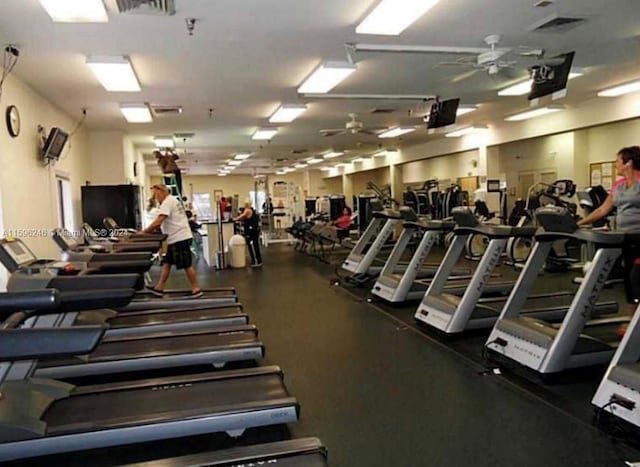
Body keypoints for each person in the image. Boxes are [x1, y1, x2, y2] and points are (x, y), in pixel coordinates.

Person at [577, 146, 640, 321]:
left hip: (639, 237)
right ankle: (631, 320)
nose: (615, 165)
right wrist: (578, 223)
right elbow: (603, 209)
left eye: (618, 161)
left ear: (629, 163)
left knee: (636, 277)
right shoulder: (618, 185)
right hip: (624, 238)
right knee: (628, 279)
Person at [142, 184, 203, 298]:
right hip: (175, 237)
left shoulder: (167, 202)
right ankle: (160, 287)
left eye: (156, 194)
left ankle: (196, 289)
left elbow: (159, 221)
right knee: (167, 262)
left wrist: (144, 232)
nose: (156, 197)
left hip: (179, 237)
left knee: (186, 264)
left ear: (163, 191)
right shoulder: (171, 200)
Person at [233, 199, 262, 267]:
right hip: (251, 231)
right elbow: (243, 218)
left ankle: (257, 261)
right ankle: (255, 261)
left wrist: (233, 219)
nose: (244, 205)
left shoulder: (248, 210)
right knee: (252, 245)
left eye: (245, 204)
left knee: (253, 246)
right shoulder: (249, 210)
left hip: (252, 231)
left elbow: (241, 217)